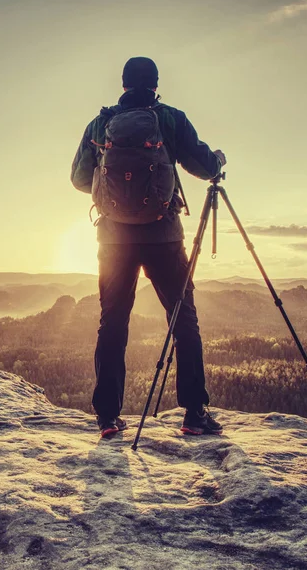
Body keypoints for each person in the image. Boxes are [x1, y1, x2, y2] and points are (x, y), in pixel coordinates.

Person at [71, 56, 226, 438]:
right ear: (156, 83)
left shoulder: (100, 123)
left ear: (123, 83)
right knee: (182, 318)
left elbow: (77, 178)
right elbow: (204, 166)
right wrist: (218, 161)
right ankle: (193, 414)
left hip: (113, 240)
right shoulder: (170, 119)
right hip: (164, 236)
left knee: (113, 322)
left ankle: (108, 418)